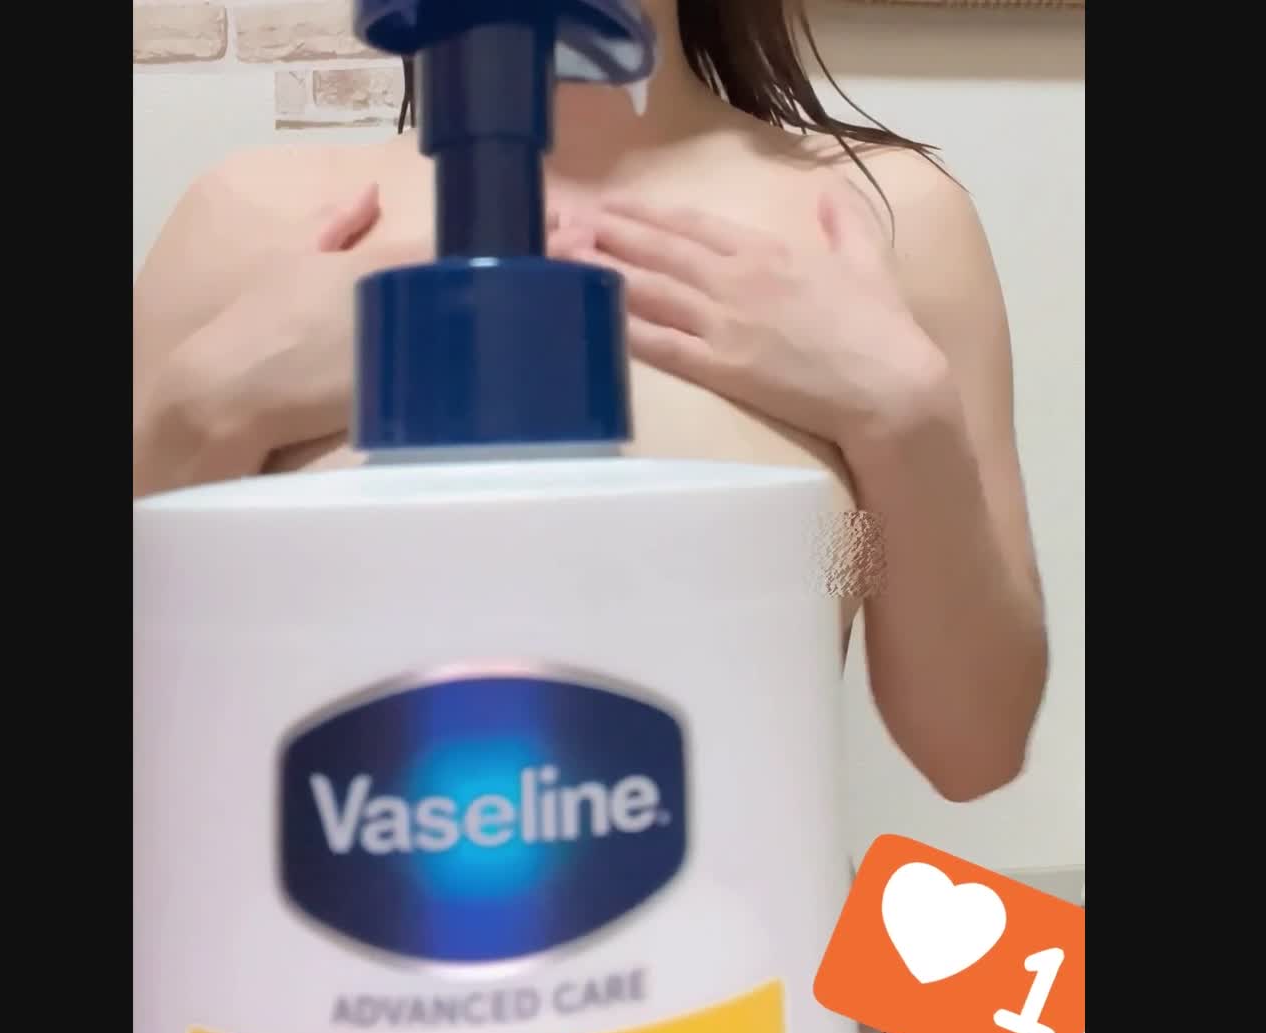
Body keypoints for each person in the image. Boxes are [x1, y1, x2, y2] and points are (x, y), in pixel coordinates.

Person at [132, 0, 1049, 806]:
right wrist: (204, 414)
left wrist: (900, 415)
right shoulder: (251, 225)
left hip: (750, 934)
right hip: (331, 930)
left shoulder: (874, 221)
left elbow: (973, 752)